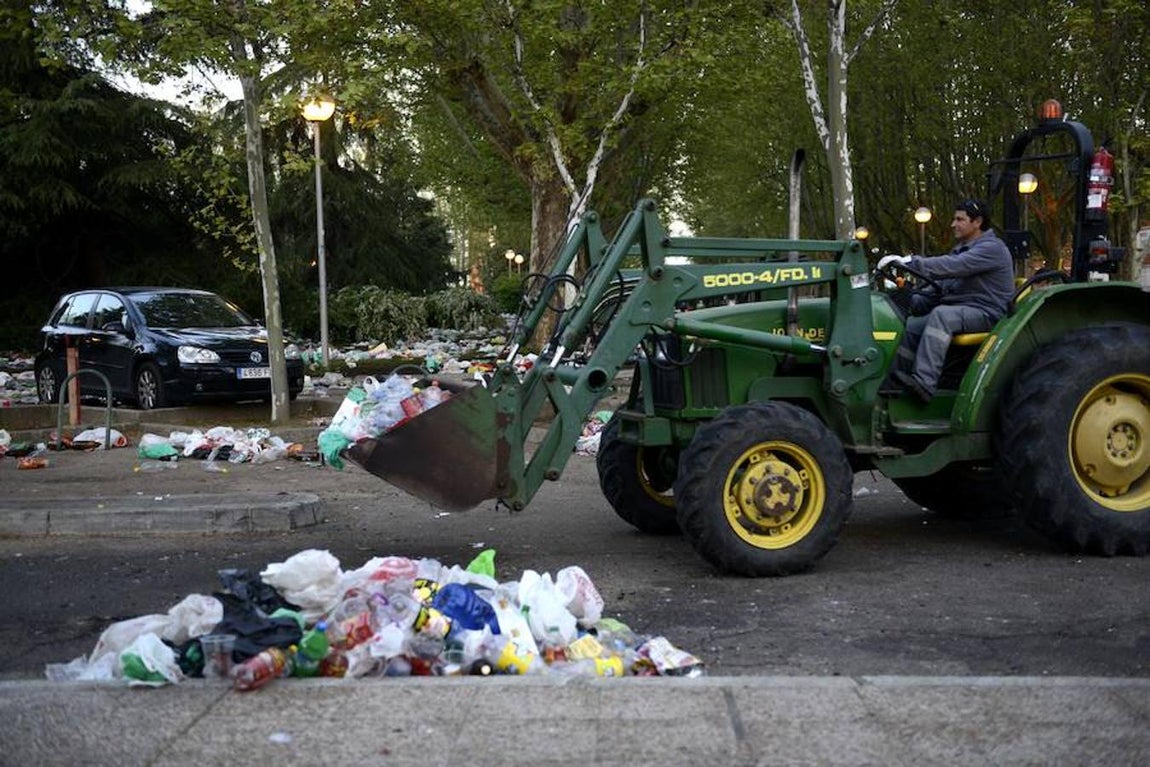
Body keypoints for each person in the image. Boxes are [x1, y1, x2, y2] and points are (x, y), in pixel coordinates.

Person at [878, 198, 1014, 402]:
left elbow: (953, 266)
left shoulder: (992, 249)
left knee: (941, 315)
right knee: (912, 325)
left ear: (977, 222)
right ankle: (895, 383)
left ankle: (924, 383)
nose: (953, 224)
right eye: (954, 219)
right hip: (962, 310)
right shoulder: (961, 249)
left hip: (988, 312)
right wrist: (908, 298)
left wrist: (911, 262)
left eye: (960, 219)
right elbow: (940, 290)